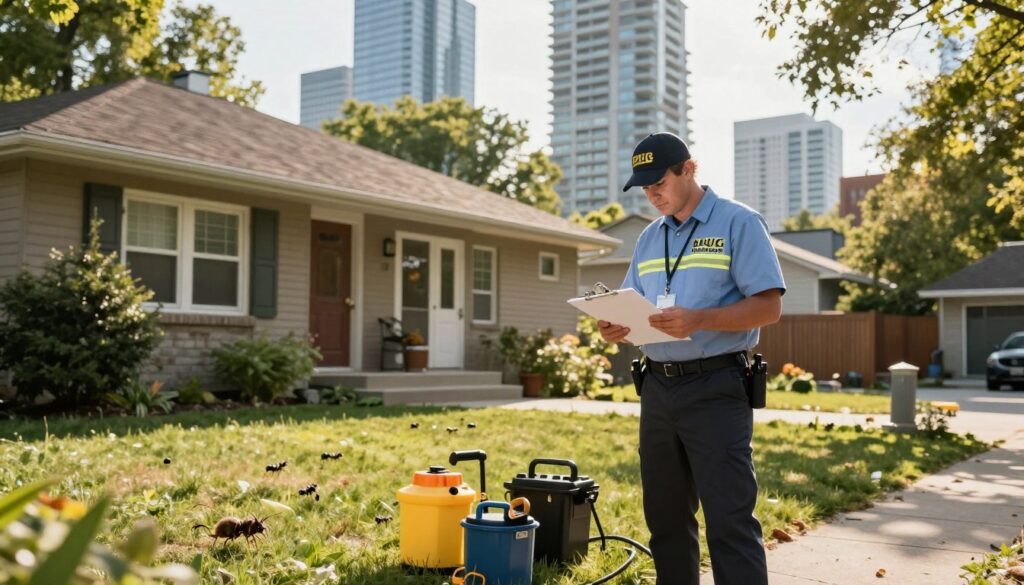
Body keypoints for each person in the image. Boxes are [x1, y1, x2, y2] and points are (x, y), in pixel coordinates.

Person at [598, 132, 785, 585]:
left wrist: (698, 319)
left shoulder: (739, 222)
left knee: (730, 519)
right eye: (644, 188)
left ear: (689, 169)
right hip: (658, 388)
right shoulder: (648, 237)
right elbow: (635, 301)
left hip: (717, 386)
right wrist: (616, 327)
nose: (652, 194)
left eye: (658, 182)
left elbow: (769, 307)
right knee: (665, 518)